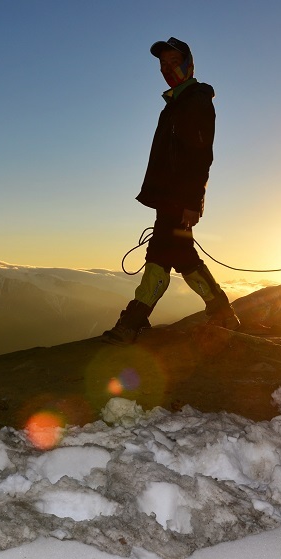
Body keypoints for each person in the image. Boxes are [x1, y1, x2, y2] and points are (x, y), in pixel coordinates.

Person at [102, 36, 240, 345]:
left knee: (161, 254)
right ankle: (221, 311)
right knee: (181, 255)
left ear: (189, 64)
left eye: (173, 63)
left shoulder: (196, 101)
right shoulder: (178, 101)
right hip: (170, 195)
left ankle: (134, 321)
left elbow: (201, 154)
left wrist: (192, 201)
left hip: (179, 197)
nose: (166, 69)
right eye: (163, 64)